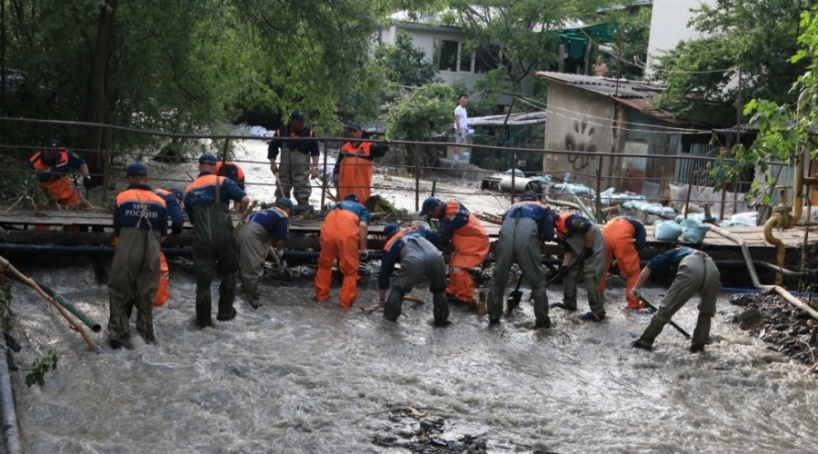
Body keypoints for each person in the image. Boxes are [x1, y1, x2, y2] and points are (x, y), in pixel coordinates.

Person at [184, 153, 250, 328]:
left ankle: (203, 322)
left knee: (203, 284)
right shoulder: (224, 181)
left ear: (199, 167)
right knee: (230, 271)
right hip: (224, 236)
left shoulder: (189, 190)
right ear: (215, 167)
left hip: (202, 239)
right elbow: (244, 199)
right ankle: (225, 314)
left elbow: (192, 219)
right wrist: (240, 215)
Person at [108, 163, 168, 349]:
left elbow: (117, 231)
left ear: (129, 179)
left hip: (128, 249)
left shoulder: (122, 198)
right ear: (147, 179)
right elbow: (163, 235)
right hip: (152, 252)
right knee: (146, 294)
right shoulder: (160, 202)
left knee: (119, 292)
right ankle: (146, 336)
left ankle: (120, 338)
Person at [631, 246, 721, 353]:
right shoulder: (691, 251)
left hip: (691, 268)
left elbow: (648, 267)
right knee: (706, 312)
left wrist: (637, 287)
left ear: (677, 247)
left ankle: (645, 341)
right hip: (712, 268)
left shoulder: (672, 252)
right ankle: (698, 346)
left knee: (665, 310)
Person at [486, 191, 555, 327]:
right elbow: (549, 234)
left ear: (521, 199)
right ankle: (542, 321)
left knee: (498, 278)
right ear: (536, 198)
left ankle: (493, 316)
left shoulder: (512, 208)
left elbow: (503, 225)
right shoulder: (543, 207)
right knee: (537, 282)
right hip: (527, 236)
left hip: (506, 234)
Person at [420, 197, 489, 306]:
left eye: (429, 213)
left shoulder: (448, 221)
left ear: (436, 209)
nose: (429, 216)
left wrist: (428, 233)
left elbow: (442, 241)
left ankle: (465, 297)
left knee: (459, 268)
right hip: (467, 239)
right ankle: (454, 291)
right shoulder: (451, 204)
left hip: (475, 242)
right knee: (453, 265)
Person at [380, 223, 448, 326]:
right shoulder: (415, 230)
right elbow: (437, 237)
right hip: (436, 256)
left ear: (387, 235)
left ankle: (388, 323)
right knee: (439, 290)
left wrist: (381, 299)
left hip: (413, 260)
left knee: (398, 290)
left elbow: (385, 272)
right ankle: (441, 323)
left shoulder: (391, 243)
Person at [315, 194, 370, 308]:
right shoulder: (362, 208)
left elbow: (327, 222)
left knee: (325, 264)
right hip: (346, 235)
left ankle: (321, 296)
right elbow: (363, 226)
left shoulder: (335, 205)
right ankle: (345, 303)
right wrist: (363, 249)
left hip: (327, 232)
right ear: (358, 201)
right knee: (350, 270)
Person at [550, 212, 607, 322]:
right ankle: (569, 304)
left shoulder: (570, 220)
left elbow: (588, 228)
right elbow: (568, 250)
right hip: (580, 246)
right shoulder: (560, 231)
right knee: (569, 273)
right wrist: (564, 266)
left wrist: (588, 248)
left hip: (593, 243)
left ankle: (597, 312)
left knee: (590, 275)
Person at [238, 198, 292, 308]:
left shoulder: (263, 212)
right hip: (252, 237)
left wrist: (277, 260)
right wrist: (280, 250)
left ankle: (243, 293)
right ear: (288, 210)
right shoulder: (283, 216)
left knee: (245, 264)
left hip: (242, 233)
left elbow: (266, 244)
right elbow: (282, 240)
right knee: (254, 267)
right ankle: (254, 301)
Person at [267, 111, 320, 208]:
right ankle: (281, 202)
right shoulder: (281, 131)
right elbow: (272, 148)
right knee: (283, 183)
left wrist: (315, 168)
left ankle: (303, 204)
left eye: (303, 122)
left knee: (302, 184)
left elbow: (315, 152)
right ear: (293, 122)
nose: (302, 124)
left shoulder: (309, 133)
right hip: (284, 165)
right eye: (300, 122)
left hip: (301, 167)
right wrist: (273, 163)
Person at [26, 138, 95, 206]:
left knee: (76, 206)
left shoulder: (65, 154)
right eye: (49, 153)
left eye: (54, 153)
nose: (51, 156)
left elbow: (81, 163)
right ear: (45, 149)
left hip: (66, 192)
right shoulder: (34, 162)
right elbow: (26, 177)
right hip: (45, 196)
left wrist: (87, 177)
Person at [333, 123, 389, 202]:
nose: (352, 133)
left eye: (354, 131)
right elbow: (338, 164)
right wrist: (335, 173)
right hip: (345, 184)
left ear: (360, 133)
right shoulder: (345, 147)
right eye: (350, 131)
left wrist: (384, 146)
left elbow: (379, 151)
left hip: (360, 185)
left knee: (360, 204)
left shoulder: (368, 146)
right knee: (344, 205)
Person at [600, 216, 647, 310]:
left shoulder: (618, 219)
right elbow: (640, 244)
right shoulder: (640, 226)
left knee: (601, 269)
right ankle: (634, 304)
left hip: (604, 234)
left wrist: (617, 259)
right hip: (621, 238)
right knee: (634, 274)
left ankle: (597, 297)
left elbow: (612, 238)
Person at [152, 187, 185, 307]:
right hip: (152, 238)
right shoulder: (171, 198)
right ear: (179, 199)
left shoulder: (155, 192)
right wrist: (174, 233)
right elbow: (178, 220)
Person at [453, 96, 469, 161]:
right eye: (463, 101)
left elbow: (464, 119)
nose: (464, 103)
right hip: (460, 127)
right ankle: (455, 157)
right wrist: (459, 129)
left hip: (464, 127)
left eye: (466, 101)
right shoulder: (458, 109)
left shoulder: (464, 109)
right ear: (460, 101)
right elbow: (457, 120)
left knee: (461, 142)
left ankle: (457, 155)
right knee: (458, 141)